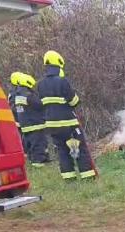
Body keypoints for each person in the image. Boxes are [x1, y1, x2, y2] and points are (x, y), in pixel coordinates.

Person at [37, 50, 97, 180]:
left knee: (62, 151)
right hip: (68, 124)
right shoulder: (62, 81)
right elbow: (74, 101)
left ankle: (69, 178)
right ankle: (88, 177)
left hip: (52, 125)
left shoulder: (40, 84)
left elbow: (42, 104)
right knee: (80, 149)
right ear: (59, 64)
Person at [11, 73, 50, 167]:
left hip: (26, 125)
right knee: (38, 146)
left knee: (31, 146)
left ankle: (35, 161)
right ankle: (39, 165)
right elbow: (40, 105)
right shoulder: (28, 95)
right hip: (35, 125)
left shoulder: (18, 94)